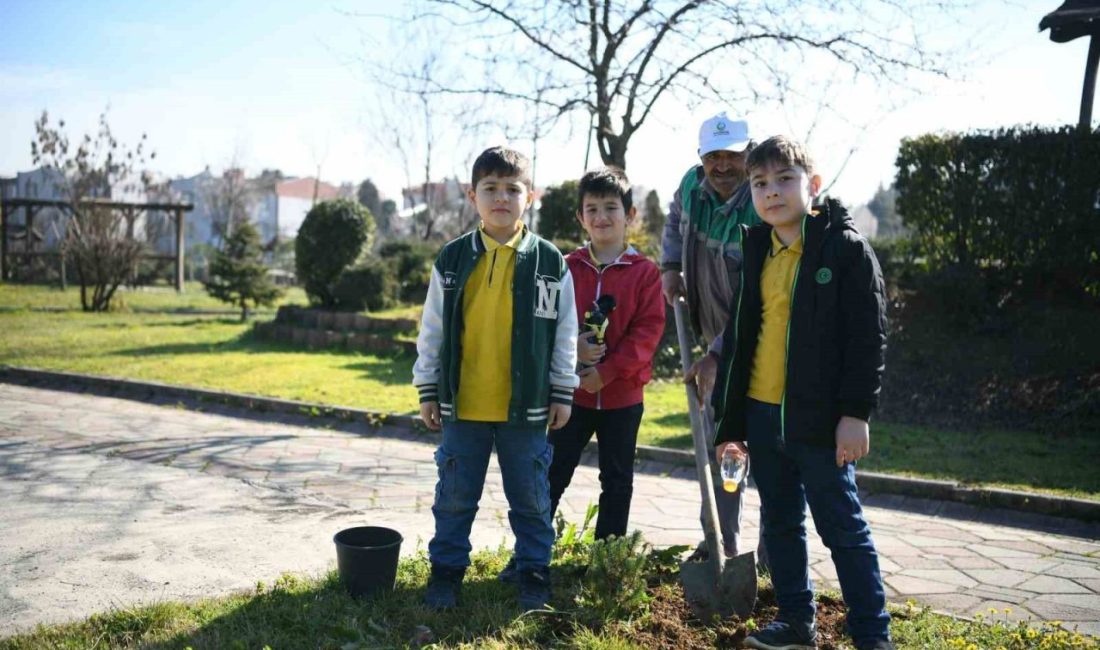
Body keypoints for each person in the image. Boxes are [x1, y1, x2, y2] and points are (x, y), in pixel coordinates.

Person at [713, 135, 893, 650]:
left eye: (784, 179)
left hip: (820, 422)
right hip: (763, 418)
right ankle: (796, 621)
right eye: (760, 182)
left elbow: (868, 338)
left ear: (813, 186)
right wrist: (732, 426)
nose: (772, 192)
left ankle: (872, 635)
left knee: (842, 529)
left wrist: (856, 414)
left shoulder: (845, 248)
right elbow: (739, 343)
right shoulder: (755, 251)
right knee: (782, 524)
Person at [412, 146, 579, 612]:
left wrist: (563, 388)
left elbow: (565, 331)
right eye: (491, 188)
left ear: (533, 196)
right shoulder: (451, 259)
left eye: (512, 188)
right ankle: (445, 573)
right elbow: (433, 328)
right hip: (463, 406)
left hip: (526, 410)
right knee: (454, 498)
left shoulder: (549, 262)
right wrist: (428, 387)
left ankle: (533, 574)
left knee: (530, 500)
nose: (501, 198)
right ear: (472, 195)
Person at [660, 111, 762, 560]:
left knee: (764, 449)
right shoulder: (691, 186)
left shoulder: (761, 200)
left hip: (761, 341)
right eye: (712, 157)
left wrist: (719, 354)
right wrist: (670, 266)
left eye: (732, 156)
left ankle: (776, 555)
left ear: (748, 155)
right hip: (714, 338)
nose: (722, 167)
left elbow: (758, 298)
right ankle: (722, 540)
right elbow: (673, 220)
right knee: (726, 446)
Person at [547, 167, 665, 539]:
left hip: (623, 398)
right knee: (552, 470)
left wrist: (608, 372)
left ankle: (607, 558)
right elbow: (549, 322)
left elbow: (647, 333)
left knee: (617, 479)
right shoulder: (566, 268)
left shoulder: (644, 272)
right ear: (581, 217)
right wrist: (572, 349)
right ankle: (530, 551)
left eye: (611, 207)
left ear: (629, 215)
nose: (601, 217)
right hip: (571, 395)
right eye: (592, 209)